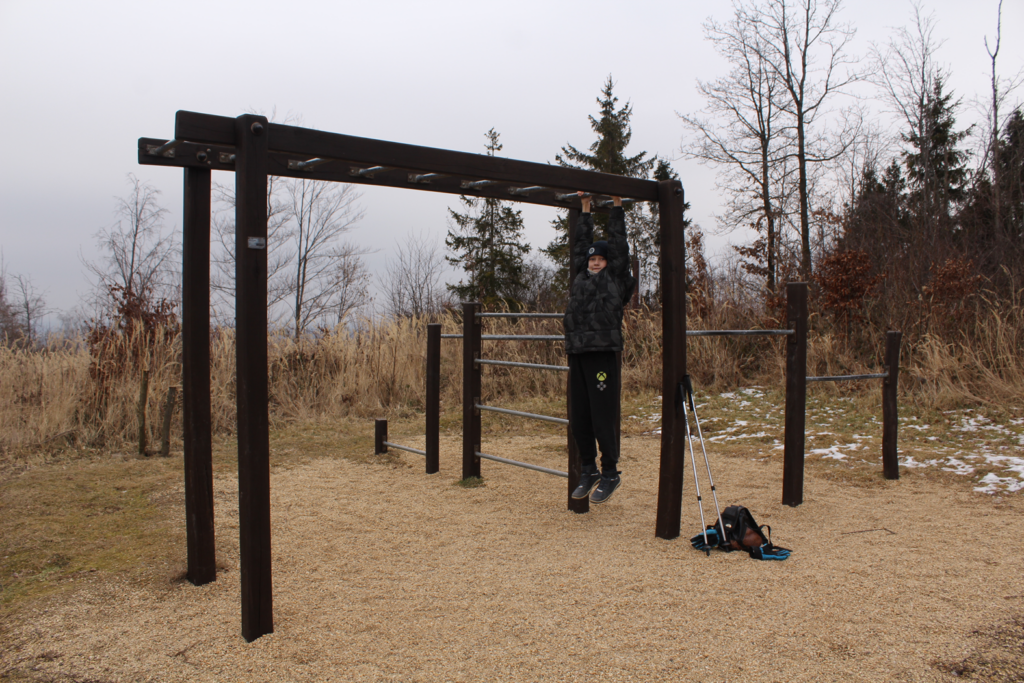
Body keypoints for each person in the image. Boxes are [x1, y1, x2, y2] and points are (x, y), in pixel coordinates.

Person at [564, 191, 635, 504]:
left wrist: (617, 206)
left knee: (602, 415)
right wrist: (585, 208)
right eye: (592, 259)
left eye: (600, 259)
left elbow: (619, 246)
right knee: (579, 415)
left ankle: (610, 472)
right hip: (577, 352)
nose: (594, 262)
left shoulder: (616, 278)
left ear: (608, 263)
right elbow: (580, 244)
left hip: (602, 352)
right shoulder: (580, 276)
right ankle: (589, 468)